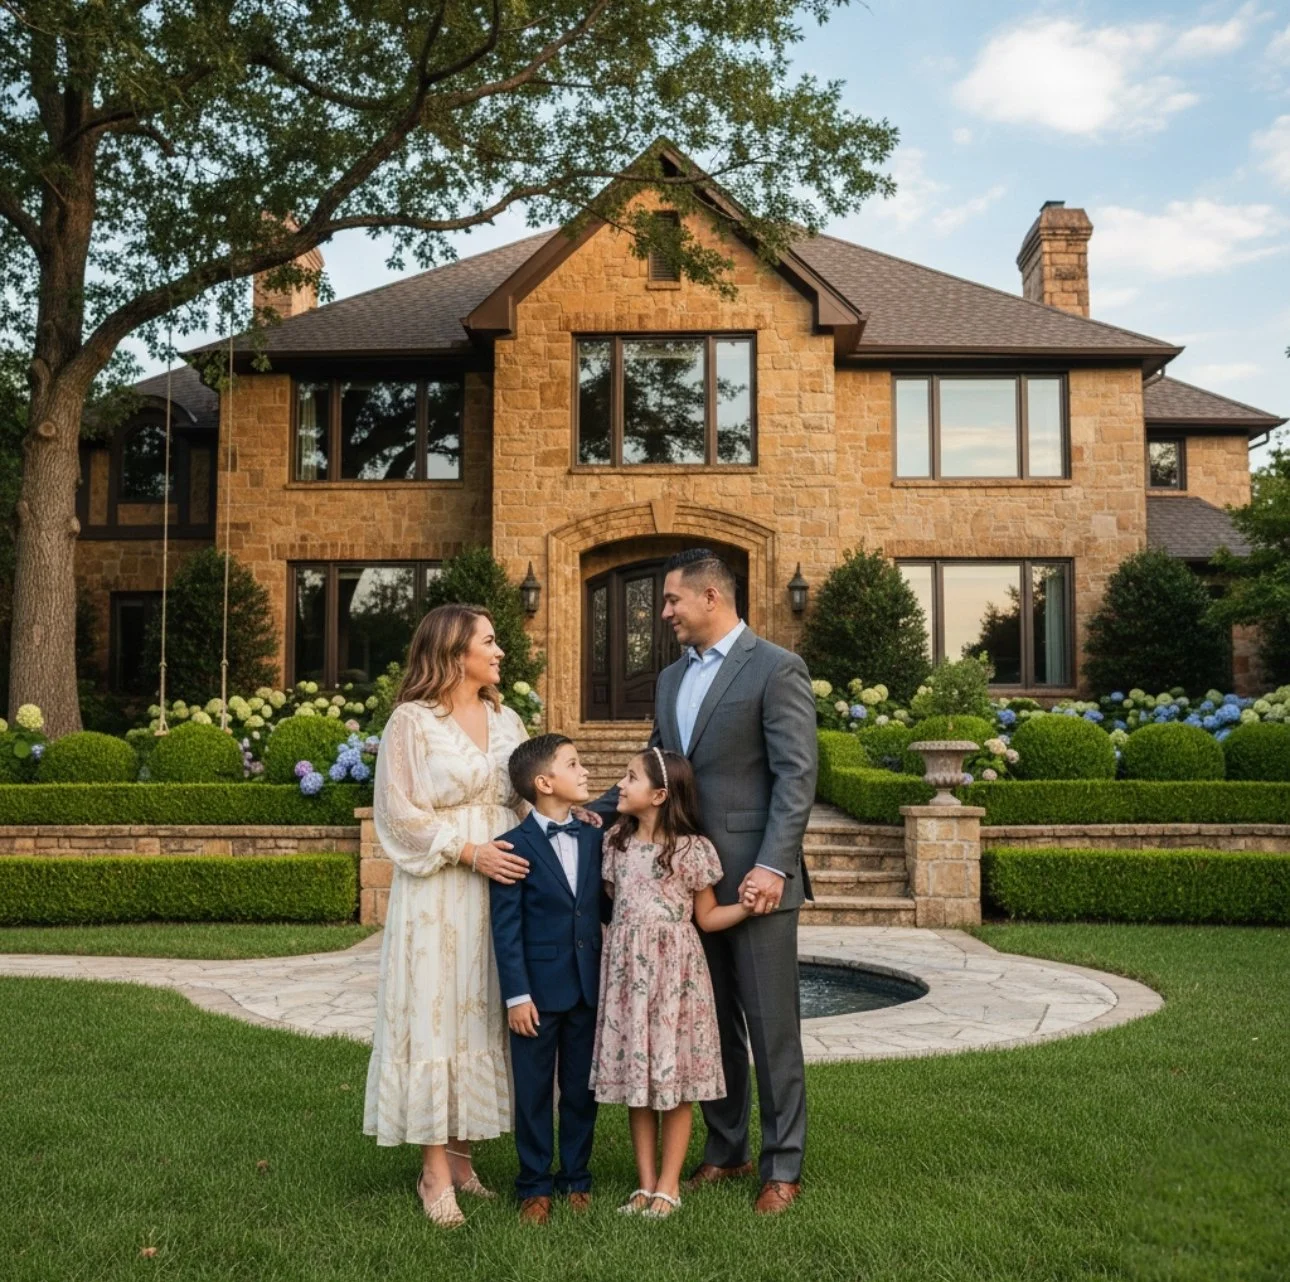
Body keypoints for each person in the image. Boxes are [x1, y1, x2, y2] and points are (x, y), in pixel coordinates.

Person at [590, 547, 818, 1215]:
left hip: (753, 882)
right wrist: (593, 810)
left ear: (710, 598)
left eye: (671, 601)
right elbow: (659, 767)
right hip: (680, 883)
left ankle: (783, 1167)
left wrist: (773, 866)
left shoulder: (778, 669)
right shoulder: (669, 679)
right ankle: (726, 1150)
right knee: (709, 1026)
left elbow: (796, 776)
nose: (664, 614)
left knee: (770, 1025)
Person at [362, 603, 533, 1229]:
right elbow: (397, 813)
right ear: (455, 651)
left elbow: (525, 798)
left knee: (483, 1009)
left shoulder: (506, 718)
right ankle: (433, 1171)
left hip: (503, 887)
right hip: (439, 888)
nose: (501, 652)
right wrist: (467, 850)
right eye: (490, 641)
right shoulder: (413, 721)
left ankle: (463, 1160)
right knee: (436, 1014)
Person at [591, 747, 752, 1219]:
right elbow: (617, 906)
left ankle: (669, 1186)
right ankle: (643, 1184)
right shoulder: (615, 843)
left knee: (673, 1082)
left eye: (630, 777)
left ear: (659, 794)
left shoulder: (690, 850)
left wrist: (747, 906)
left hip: (676, 977)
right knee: (637, 1083)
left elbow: (707, 916)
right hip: (628, 976)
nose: (619, 784)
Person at [489, 734, 608, 1226]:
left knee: (581, 1091)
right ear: (544, 783)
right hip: (536, 995)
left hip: (587, 987)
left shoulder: (594, 834)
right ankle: (534, 1184)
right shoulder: (512, 847)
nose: (584, 771)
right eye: (573, 764)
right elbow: (507, 928)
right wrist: (517, 996)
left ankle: (576, 1177)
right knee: (536, 1093)